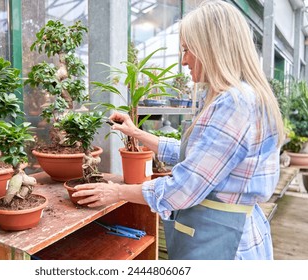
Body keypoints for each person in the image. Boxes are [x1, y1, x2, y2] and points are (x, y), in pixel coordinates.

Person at [73, 0, 284, 260]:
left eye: (187, 50)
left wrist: (116, 192)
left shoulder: (234, 104)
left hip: (226, 246)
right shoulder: (243, 97)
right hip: (230, 232)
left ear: (212, 48)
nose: (184, 60)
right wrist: (136, 133)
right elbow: (199, 157)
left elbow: (183, 189)